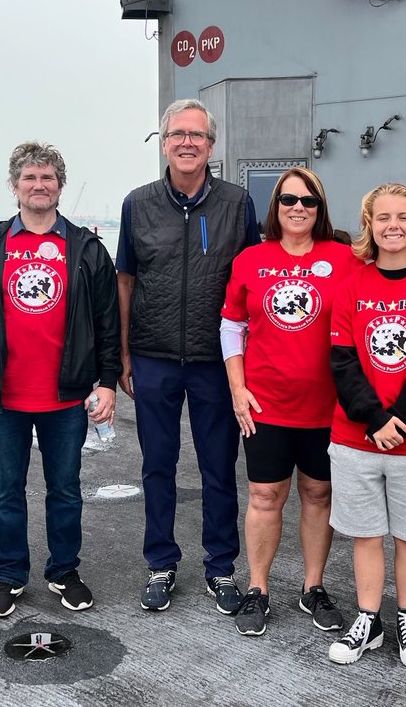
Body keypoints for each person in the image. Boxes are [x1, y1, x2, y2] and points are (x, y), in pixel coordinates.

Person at [0, 142, 120, 618]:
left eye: (47, 178)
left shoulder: (86, 249)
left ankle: (63, 571)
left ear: (59, 186)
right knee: (5, 490)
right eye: (29, 178)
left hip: (65, 395)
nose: (39, 185)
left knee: (65, 489)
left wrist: (106, 381)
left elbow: (109, 321)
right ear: (14, 187)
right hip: (2, 394)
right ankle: (9, 575)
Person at [116, 98, 261, 614]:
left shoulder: (236, 203)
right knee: (158, 465)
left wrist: (248, 361)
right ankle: (161, 562)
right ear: (164, 141)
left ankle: (220, 568)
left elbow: (253, 282)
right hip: (153, 356)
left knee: (219, 468)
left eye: (196, 135)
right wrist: (124, 353)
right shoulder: (138, 203)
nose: (186, 143)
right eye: (177, 134)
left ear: (211, 145)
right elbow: (126, 280)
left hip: (215, 361)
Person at [219, 167, 357, 636]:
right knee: (264, 496)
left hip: (327, 407)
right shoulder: (250, 260)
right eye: (288, 199)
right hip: (266, 405)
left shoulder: (346, 259)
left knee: (318, 495)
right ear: (275, 206)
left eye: (309, 200)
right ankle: (258, 590)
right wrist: (238, 388)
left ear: (320, 209)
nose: (298, 207)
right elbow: (231, 326)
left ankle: (312, 588)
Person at [326, 184, 406, 669]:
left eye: (403, 217)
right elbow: (343, 362)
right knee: (365, 534)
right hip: (357, 437)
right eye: (383, 217)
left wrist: (399, 423)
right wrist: (375, 420)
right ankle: (368, 618)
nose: (392, 225)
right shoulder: (351, 286)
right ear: (370, 225)